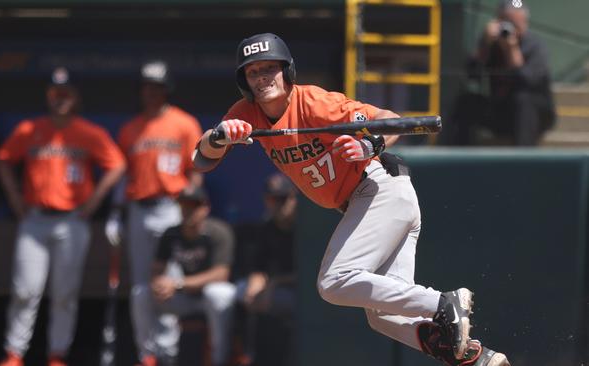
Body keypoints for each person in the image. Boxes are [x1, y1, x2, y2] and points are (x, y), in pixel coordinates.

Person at [192, 32, 510, 366]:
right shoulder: (246, 113)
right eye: (253, 72)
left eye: (270, 68)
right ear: (244, 80)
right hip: (372, 202)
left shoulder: (313, 102)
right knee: (383, 316)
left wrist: (370, 145)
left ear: (287, 71)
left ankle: (443, 303)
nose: (262, 78)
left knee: (333, 282)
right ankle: (474, 357)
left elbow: (390, 120)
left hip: (378, 189)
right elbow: (202, 157)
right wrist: (220, 136)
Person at [0, 67, 126, 366]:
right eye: (56, 94)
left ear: (75, 97)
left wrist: (93, 202)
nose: (60, 100)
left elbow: (117, 165)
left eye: (66, 94)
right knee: (25, 290)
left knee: (64, 293)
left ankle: (57, 354)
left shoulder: (89, 132)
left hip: (72, 220)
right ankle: (14, 353)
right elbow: (3, 159)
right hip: (35, 219)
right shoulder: (30, 129)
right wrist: (15, 197)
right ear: (48, 97)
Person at [104, 60, 203, 366]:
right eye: (147, 87)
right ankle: (147, 354)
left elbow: (197, 172)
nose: (151, 93)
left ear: (167, 90)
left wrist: (189, 210)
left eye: (157, 88)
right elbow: (124, 176)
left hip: (171, 208)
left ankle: (168, 351)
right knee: (141, 287)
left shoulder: (184, 123)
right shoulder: (130, 129)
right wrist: (116, 214)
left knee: (167, 283)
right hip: (138, 209)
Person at [150, 185, 237, 366]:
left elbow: (222, 274)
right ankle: (154, 357)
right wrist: (159, 284)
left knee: (217, 293)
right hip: (185, 298)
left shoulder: (217, 231)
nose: (189, 210)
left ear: (205, 207)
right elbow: (157, 270)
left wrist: (177, 284)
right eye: (184, 205)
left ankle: (219, 359)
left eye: (194, 205)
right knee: (141, 295)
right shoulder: (171, 233)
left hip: (208, 297)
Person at [459, 0, 555, 146]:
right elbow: (472, 76)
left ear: (525, 22)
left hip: (534, 115)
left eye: (515, 24)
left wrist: (512, 49)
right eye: (506, 22)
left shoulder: (535, 45)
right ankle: (458, 158)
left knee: (523, 100)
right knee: (467, 101)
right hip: (501, 111)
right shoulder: (490, 44)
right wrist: (485, 44)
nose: (510, 29)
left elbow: (528, 82)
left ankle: (523, 161)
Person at [236, 173, 297, 366]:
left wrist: (272, 285)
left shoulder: (305, 226)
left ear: (293, 198)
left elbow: (312, 273)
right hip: (274, 288)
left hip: (305, 292)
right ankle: (245, 355)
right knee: (240, 293)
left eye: (282, 199)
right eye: (272, 199)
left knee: (279, 301)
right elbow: (258, 267)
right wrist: (254, 288)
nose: (277, 205)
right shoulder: (266, 227)